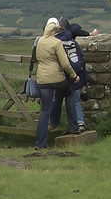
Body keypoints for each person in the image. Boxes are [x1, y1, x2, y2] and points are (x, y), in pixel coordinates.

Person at [31, 19, 77, 149]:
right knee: (69, 93)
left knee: (45, 110)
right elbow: (65, 64)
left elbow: (35, 58)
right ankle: (74, 126)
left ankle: (40, 144)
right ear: (55, 30)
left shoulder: (39, 41)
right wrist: (74, 75)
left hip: (42, 79)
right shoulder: (57, 43)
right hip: (56, 78)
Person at [54, 19, 95, 134]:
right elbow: (81, 58)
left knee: (57, 99)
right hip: (77, 75)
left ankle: (54, 123)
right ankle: (80, 123)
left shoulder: (55, 42)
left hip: (63, 76)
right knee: (75, 100)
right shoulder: (73, 41)